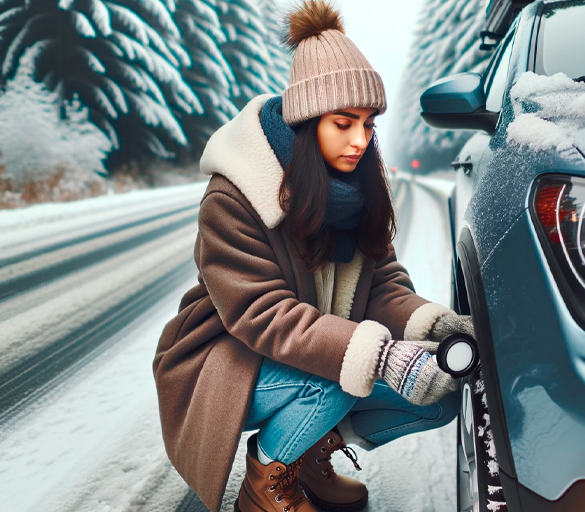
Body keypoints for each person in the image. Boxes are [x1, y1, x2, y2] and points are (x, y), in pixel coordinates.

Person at [152, 1, 474, 511]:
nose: (360, 140)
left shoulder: (359, 188)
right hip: (226, 360)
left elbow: (383, 281)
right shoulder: (235, 198)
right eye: (343, 123)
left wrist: (434, 328)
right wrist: (383, 356)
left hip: (304, 354)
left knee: (438, 396)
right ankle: (264, 483)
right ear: (306, 121)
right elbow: (263, 315)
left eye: (368, 124)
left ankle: (308, 452)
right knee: (342, 375)